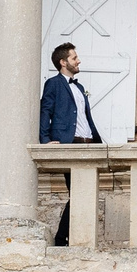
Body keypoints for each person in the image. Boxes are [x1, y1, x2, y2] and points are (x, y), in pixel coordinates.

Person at [40, 41, 102, 246]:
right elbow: (45, 111)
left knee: (86, 194)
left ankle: (72, 238)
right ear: (63, 62)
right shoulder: (53, 84)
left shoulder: (80, 87)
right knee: (77, 193)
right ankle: (61, 239)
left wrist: (97, 142)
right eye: (74, 58)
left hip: (89, 143)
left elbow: (84, 117)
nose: (79, 61)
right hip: (70, 143)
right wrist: (45, 140)